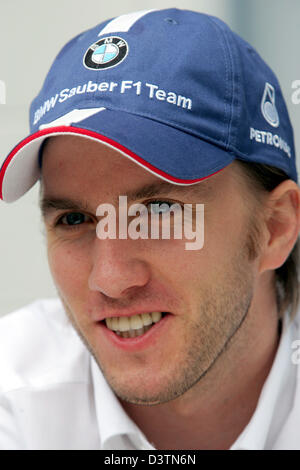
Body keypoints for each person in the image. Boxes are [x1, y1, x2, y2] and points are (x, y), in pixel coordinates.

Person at [0, 7, 299, 451]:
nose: (111, 279)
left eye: (158, 210)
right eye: (74, 219)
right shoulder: (14, 397)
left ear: (275, 228)